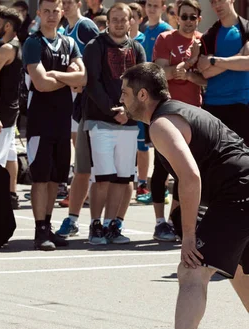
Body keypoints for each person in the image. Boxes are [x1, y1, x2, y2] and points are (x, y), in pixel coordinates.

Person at [122, 62, 249, 329]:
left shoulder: (161, 125)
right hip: (242, 187)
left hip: (238, 193)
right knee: (239, 270)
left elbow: (190, 177)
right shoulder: (179, 111)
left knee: (192, 270)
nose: (120, 99)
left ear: (142, 94)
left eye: (124, 93)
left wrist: (189, 236)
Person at [23, 0, 85, 251]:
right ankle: (39, 231)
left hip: (63, 121)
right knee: (40, 179)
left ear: (62, 12)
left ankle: (47, 226)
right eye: (46, 11)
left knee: (54, 180)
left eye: (55, 11)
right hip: (39, 122)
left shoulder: (69, 42)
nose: (51, 16)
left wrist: (56, 75)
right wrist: (67, 77)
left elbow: (82, 79)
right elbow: (40, 83)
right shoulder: (33, 43)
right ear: (38, 13)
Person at [83, 2, 146, 245]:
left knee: (122, 177)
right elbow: (93, 84)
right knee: (103, 177)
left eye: (124, 19)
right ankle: (95, 225)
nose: (120, 23)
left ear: (131, 21)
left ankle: (111, 225)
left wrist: (129, 112)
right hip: (101, 122)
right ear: (108, 21)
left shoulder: (137, 48)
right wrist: (113, 110)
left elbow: (142, 83)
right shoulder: (95, 46)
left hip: (129, 123)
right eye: (115, 19)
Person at [150, 0, 204, 241]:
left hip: (194, 115)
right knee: (162, 169)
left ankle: (178, 220)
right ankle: (160, 221)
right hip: (167, 112)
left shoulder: (202, 41)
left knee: (187, 171)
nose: (189, 21)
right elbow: (159, 72)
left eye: (193, 17)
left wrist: (190, 72)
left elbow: (205, 80)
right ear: (176, 18)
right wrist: (183, 67)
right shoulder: (165, 38)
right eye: (184, 17)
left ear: (199, 19)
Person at [54, 0, 98, 231]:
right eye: (64, 3)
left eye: (70, 1)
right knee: (81, 161)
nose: (67, 6)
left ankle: (100, 220)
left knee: (91, 164)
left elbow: (97, 60)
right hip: (75, 102)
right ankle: (75, 216)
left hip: (89, 102)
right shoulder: (65, 30)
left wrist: (82, 81)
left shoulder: (85, 26)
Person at [196, 0, 249, 143]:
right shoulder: (209, 35)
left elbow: (247, 64)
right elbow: (205, 72)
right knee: (215, 161)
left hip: (241, 105)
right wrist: (238, 58)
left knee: (243, 159)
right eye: (213, 2)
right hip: (213, 106)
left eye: (220, 0)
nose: (217, 6)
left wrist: (214, 61)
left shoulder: (246, 29)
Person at [136, 0, 173, 198]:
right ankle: (156, 187)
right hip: (144, 94)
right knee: (149, 142)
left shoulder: (165, 30)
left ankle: (162, 188)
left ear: (163, 9)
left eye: (156, 5)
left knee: (161, 143)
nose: (151, 9)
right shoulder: (144, 30)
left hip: (159, 95)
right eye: (149, 5)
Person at [0, 7, 24, 207]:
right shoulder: (17, 45)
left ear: (7, 26)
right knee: (10, 154)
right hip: (11, 109)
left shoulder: (6, 49)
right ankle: (11, 195)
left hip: (3, 109)